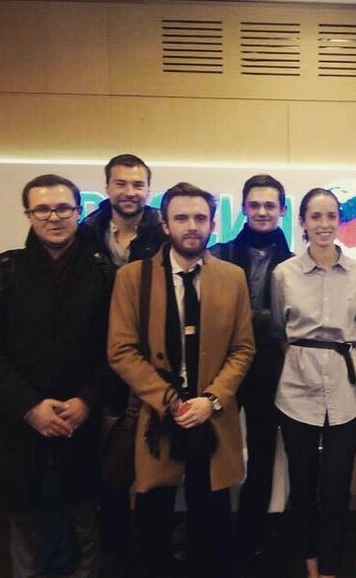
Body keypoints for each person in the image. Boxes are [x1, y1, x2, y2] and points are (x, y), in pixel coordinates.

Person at [0, 174, 114, 578]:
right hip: (19, 418)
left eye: (63, 208)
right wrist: (30, 407)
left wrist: (87, 401)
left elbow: (116, 350)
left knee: (84, 517)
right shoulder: (1, 272)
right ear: (28, 215)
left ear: (79, 211)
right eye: (43, 209)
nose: (54, 217)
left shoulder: (103, 273)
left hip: (79, 415)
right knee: (25, 519)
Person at [107, 182, 255, 578]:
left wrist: (212, 399)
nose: (192, 226)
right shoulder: (133, 278)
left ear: (212, 224)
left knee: (212, 519)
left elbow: (243, 349)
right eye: (182, 218)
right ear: (165, 225)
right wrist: (170, 400)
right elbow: (121, 350)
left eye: (200, 218)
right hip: (159, 415)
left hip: (212, 415)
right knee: (153, 519)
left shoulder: (232, 278)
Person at [270, 187, 356, 578]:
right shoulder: (284, 274)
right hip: (296, 390)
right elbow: (279, 331)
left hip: (347, 391)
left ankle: (331, 567)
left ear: (339, 221)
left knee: (336, 487)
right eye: (316, 216)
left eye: (331, 216)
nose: (324, 224)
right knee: (302, 482)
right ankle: (310, 564)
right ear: (302, 222)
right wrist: (304, 363)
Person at [82, 153, 167, 577]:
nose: (129, 192)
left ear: (148, 189)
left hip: (151, 366)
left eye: (138, 184)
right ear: (107, 188)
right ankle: (113, 554)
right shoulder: (86, 235)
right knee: (107, 471)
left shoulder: (163, 233)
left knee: (153, 468)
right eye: (121, 183)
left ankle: (151, 556)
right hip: (96, 367)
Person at [209, 174, 293, 561]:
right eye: (255, 205)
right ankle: (215, 531)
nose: (262, 212)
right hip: (221, 367)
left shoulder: (295, 264)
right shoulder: (219, 255)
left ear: (282, 210)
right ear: (243, 207)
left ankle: (251, 532)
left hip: (270, 369)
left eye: (269, 205)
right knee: (215, 449)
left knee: (262, 453)